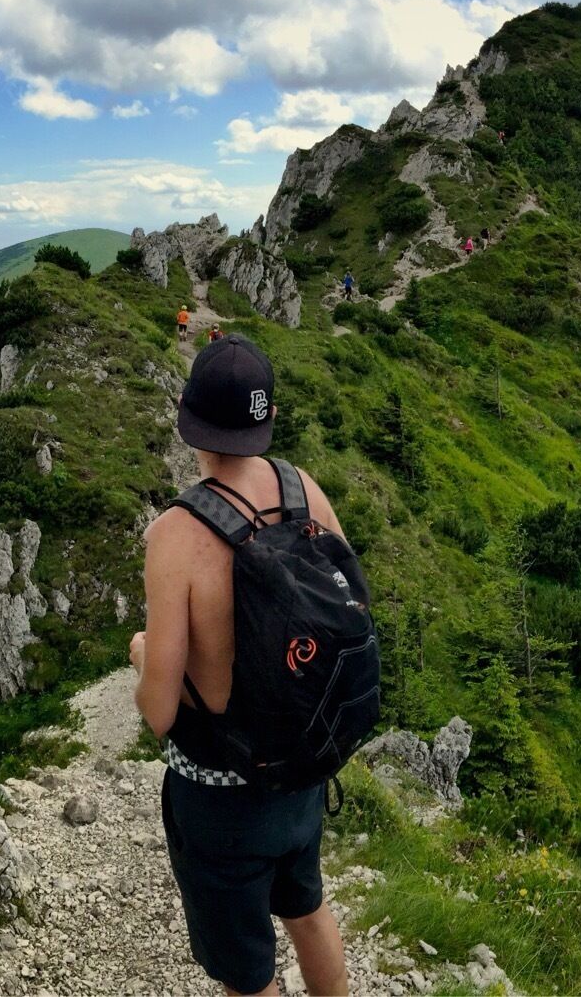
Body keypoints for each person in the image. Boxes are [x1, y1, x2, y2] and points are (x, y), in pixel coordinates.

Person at [134, 334, 353, 996]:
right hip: (301, 770)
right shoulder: (304, 490)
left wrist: (141, 654)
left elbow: (159, 711)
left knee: (247, 976)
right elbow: (346, 618)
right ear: (270, 418)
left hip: (222, 800)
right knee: (308, 910)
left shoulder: (175, 534)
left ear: (186, 417)